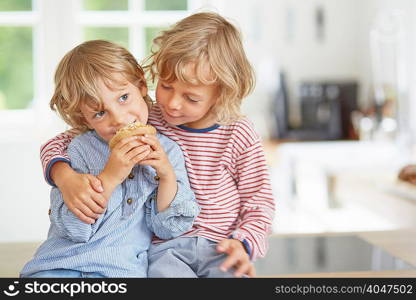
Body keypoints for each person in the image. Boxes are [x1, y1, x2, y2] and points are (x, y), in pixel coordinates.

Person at [39, 12, 276, 278]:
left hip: (221, 246)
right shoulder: (145, 115)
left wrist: (244, 242)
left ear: (222, 92)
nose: (173, 103)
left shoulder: (238, 133)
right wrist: (63, 174)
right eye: (165, 86)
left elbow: (259, 201)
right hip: (162, 249)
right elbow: (65, 140)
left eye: (191, 98)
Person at [20, 40, 199, 278]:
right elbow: (75, 229)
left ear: (142, 86)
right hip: (58, 267)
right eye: (100, 113)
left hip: (121, 272)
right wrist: (111, 175)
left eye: (124, 97)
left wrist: (166, 175)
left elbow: (168, 228)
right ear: (84, 119)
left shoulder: (169, 151)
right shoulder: (79, 150)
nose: (119, 119)